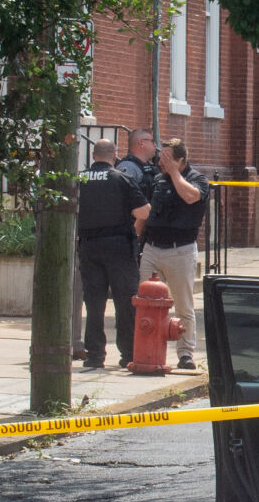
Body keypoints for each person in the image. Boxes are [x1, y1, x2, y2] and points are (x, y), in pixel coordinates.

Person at [76, 139, 149, 368]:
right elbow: (144, 211)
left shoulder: (80, 179)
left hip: (89, 246)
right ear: (114, 154)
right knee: (125, 302)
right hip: (118, 247)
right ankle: (127, 355)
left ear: (93, 154)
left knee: (94, 303)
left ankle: (95, 355)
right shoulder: (121, 178)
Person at [137, 137, 208, 371]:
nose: (161, 162)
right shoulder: (157, 180)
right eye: (161, 157)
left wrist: (175, 174)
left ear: (181, 160)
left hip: (180, 250)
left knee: (183, 305)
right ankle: (147, 351)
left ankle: (186, 353)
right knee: (147, 302)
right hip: (152, 248)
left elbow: (191, 197)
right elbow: (146, 213)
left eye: (167, 158)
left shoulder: (197, 179)